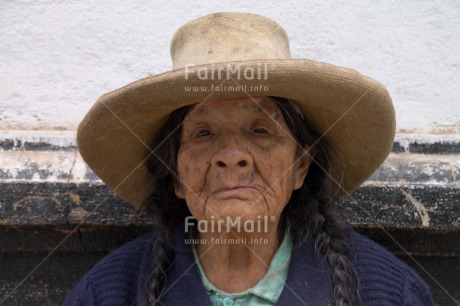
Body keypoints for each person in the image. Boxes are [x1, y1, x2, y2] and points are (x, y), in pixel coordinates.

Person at [64, 12, 434, 306]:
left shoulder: (388, 293)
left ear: (300, 167)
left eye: (261, 130)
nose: (232, 157)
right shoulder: (109, 292)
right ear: (175, 175)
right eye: (203, 133)